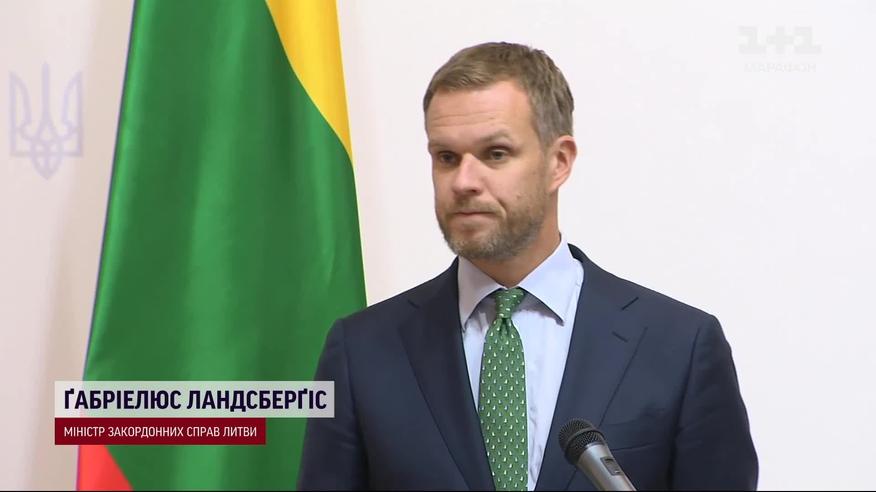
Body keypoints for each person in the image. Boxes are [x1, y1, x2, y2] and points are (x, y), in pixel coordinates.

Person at [298, 42, 757, 491]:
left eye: (495, 154)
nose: (464, 181)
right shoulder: (362, 351)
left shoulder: (679, 346)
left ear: (559, 162)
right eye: (446, 158)